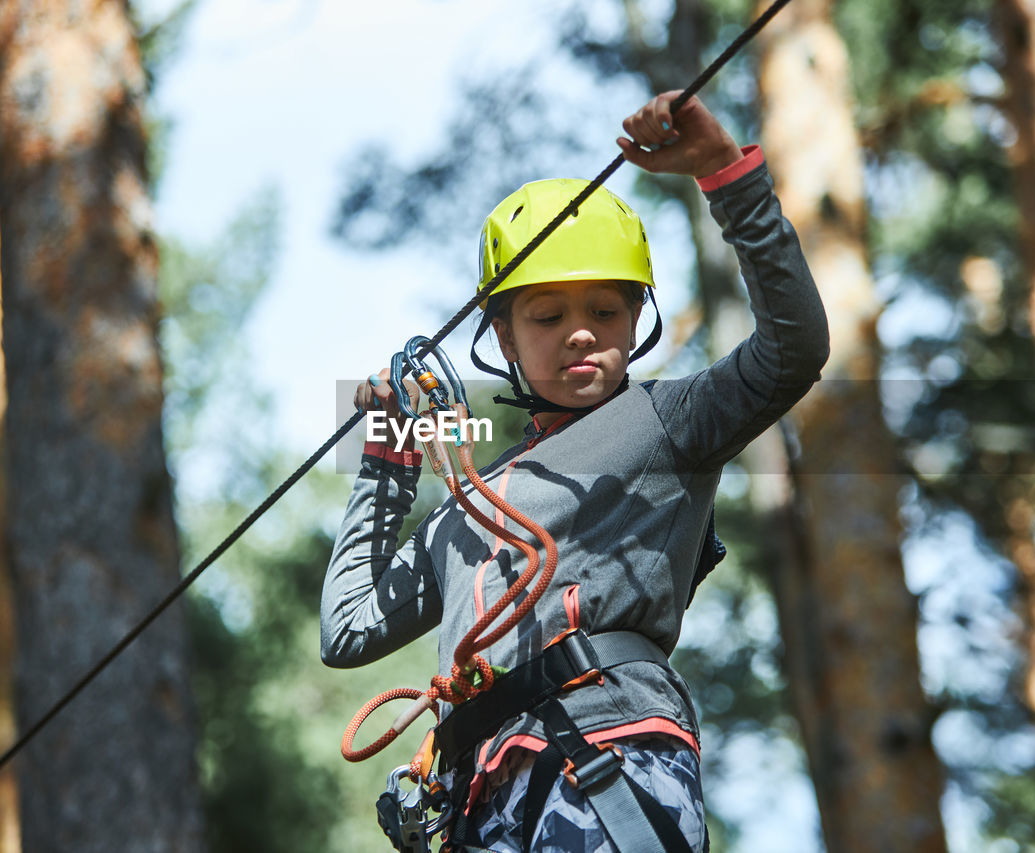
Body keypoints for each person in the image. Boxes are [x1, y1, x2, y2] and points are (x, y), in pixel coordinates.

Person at [322, 90, 830, 853]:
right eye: (547, 316)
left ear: (638, 321)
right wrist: (387, 459)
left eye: (606, 310)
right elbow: (349, 626)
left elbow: (793, 349)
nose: (580, 332)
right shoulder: (465, 508)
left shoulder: (666, 422)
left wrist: (726, 174)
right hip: (481, 802)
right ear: (502, 333)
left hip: (607, 756)